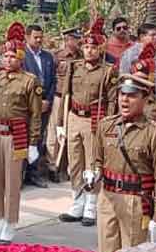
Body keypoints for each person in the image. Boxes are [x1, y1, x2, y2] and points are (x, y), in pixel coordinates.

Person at [0, 24, 42, 247]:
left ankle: (9, 225)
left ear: (20, 58)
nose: (8, 60)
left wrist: (34, 143)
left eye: (12, 56)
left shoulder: (29, 81)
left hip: (17, 136)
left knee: (12, 182)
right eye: (5, 55)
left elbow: (34, 114)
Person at [91, 73, 156, 252]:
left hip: (135, 200)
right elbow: (98, 159)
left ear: (145, 99)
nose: (125, 100)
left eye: (132, 95)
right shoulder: (106, 125)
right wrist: (94, 172)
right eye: (122, 94)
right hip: (108, 197)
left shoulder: (154, 132)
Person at [56, 26, 118, 227]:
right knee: (74, 162)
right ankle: (77, 203)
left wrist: (107, 125)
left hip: (95, 120)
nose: (89, 50)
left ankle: (91, 205)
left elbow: (111, 101)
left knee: (92, 163)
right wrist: (60, 123)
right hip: (74, 116)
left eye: (93, 47)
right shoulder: (74, 67)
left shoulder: (108, 71)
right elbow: (65, 96)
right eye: (86, 47)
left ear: (100, 49)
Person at [46, 27, 82, 181]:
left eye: (78, 38)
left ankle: (66, 166)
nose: (78, 41)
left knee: (71, 132)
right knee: (54, 132)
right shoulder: (57, 57)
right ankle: (52, 166)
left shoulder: (81, 56)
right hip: (59, 97)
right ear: (67, 40)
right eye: (74, 38)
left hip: (75, 98)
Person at [22, 24, 55, 188]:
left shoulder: (48, 57)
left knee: (38, 138)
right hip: (27, 106)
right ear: (27, 37)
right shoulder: (21, 56)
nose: (39, 40)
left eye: (41, 37)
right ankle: (21, 173)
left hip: (43, 105)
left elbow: (53, 81)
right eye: (35, 37)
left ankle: (34, 173)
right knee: (23, 138)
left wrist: (47, 100)